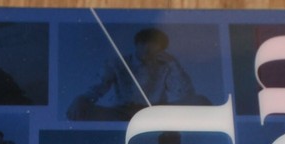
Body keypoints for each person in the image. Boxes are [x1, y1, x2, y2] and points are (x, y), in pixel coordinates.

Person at [66, 28, 209, 121]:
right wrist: (82, 99)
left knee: (201, 102)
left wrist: (174, 64)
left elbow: (186, 94)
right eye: (146, 47)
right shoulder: (117, 63)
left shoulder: (166, 66)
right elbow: (98, 86)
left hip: (156, 112)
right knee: (79, 111)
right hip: (122, 113)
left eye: (155, 50)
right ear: (138, 44)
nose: (149, 53)